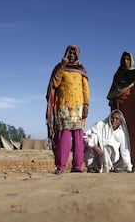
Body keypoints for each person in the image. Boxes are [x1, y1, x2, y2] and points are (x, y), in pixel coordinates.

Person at [46, 44, 89, 175]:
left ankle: (77, 166)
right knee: (63, 138)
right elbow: (54, 83)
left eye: (73, 53)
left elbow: (85, 89)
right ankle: (60, 166)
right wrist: (61, 66)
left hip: (78, 108)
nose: (71, 55)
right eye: (69, 53)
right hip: (63, 108)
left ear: (77, 55)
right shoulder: (60, 68)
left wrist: (86, 105)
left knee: (78, 138)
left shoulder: (81, 70)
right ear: (65, 54)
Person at [107, 51, 135, 172]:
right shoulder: (118, 76)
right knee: (119, 137)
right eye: (124, 59)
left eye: (128, 59)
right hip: (121, 110)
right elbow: (112, 94)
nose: (125, 62)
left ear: (132, 61)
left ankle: (133, 164)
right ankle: (119, 165)